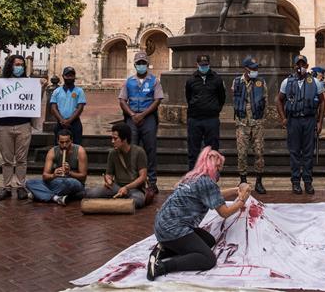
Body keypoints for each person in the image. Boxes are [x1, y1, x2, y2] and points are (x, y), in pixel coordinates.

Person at [147, 147, 252, 281]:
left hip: (163, 224)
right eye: (218, 168)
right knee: (208, 259)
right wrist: (242, 199)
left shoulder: (193, 177)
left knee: (208, 240)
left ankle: (164, 249)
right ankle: (160, 267)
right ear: (213, 167)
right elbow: (224, 213)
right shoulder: (207, 183)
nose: (220, 172)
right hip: (173, 229)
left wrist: (236, 190)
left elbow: (213, 196)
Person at [0, 54, 48, 201]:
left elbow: (33, 101)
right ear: (10, 65)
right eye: (16, 64)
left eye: (21, 65)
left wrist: (42, 88)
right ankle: (7, 187)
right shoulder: (1, 83)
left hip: (23, 125)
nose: (19, 67)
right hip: (4, 126)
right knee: (7, 160)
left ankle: (21, 186)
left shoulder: (29, 82)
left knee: (22, 159)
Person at [276, 55, 324, 195]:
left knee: (308, 153)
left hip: (309, 120)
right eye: (298, 64)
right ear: (294, 66)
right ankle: (296, 182)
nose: (300, 67)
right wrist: (283, 118)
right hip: (294, 121)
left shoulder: (315, 82)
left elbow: (322, 101)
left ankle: (308, 182)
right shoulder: (287, 82)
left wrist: (320, 121)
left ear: (307, 66)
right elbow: (279, 100)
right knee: (295, 152)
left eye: (303, 64)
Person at [119, 51, 162, 194]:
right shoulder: (129, 81)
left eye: (143, 63)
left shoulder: (154, 81)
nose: (141, 65)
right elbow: (122, 100)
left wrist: (142, 114)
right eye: (139, 63)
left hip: (148, 118)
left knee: (150, 149)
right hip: (132, 118)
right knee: (132, 150)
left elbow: (157, 100)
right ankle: (133, 181)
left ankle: (152, 181)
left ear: (147, 65)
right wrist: (132, 114)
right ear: (135, 65)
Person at [85, 122, 148, 208]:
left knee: (138, 201)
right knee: (91, 193)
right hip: (116, 188)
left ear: (124, 139)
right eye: (112, 138)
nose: (112, 141)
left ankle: (118, 203)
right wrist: (108, 180)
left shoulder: (139, 152)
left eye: (115, 139)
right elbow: (109, 174)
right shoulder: (113, 153)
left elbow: (143, 177)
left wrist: (126, 187)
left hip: (134, 189)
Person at [232, 56, 267, 194]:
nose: (255, 71)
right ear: (245, 69)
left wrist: (261, 120)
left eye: (256, 68)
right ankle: (243, 181)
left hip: (257, 123)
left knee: (259, 153)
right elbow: (235, 100)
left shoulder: (260, 82)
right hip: (242, 123)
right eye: (253, 69)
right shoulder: (236, 82)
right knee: (242, 153)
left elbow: (265, 100)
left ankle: (259, 182)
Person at [25, 128, 88, 206]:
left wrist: (69, 173)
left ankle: (39, 194)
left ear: (71, 140)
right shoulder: (52, 152)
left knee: (67, 183)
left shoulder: (80, 151)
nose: (64, 145)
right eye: (61, 142)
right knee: (30, 182)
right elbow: (45, 176)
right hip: (57, 182)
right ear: (58, 141)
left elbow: (83, 177)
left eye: (67, 142)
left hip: (74, 182)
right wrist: (53, 175)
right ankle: (56, 198)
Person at [184, 54, 226, 169]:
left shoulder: (217, 79)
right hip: (195, 119)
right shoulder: (191, 80)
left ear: (209, 64)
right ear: (197, 65)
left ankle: (212, 175)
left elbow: (222, 98)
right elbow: (188, 97)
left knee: (212, 150)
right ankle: (193, 176)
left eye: (206, 65)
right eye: (202, 65)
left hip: (211, 119)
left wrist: (215, 109)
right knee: (193, 150)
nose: (204, 67)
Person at [49, 66, 86, 145]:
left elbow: (80, 107)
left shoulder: (79, 91)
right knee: (58, 147)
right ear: (63, 76)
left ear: (74, 77)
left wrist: (69, 120)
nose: (69, 77)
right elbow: (53, 107)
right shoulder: (57, 91)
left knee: (76, 147)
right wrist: (61, 120)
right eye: (67, 75)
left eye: (71, 75)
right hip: (60, 123)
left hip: (75, 123)